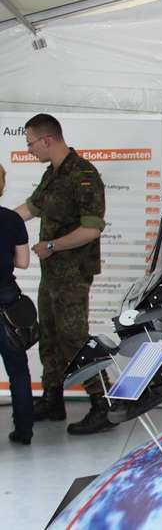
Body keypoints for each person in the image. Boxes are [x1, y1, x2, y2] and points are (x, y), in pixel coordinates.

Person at [15, 114, 114, 435]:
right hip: (52, 274)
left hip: (73, 274)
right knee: (50, 335)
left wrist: (53, 245)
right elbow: (30, 209)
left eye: (30, 143)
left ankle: (102, 405)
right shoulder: (52, 174)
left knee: (75, 339)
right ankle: (53, 399)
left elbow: (92, 229)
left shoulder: (83, 175)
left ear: (47, 140)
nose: (29, 150)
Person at [0, 165, 34, 445]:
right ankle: (24, 431)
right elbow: (23, 262)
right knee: (17, 368)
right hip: (7, 301)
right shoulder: (12, 219)